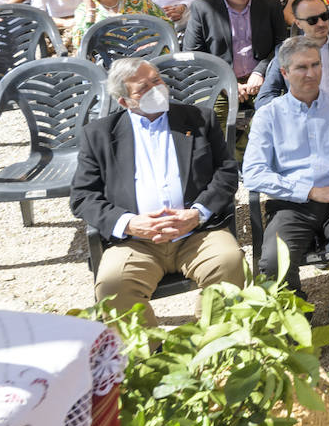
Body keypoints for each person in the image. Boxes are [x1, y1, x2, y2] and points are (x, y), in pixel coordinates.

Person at [70, 58, 244, 326]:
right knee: (113, 285)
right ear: (124, 101)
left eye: (157, 80)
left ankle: (213, 344)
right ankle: (149, 356)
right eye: (143, 88)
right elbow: (83, 196)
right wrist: (129, 223)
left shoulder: (198, 119)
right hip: (136, 241)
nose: (156, 89)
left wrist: (197, 214)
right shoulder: (100, 136)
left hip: (196, 233)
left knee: (229, 263)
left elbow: (226, 172)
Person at [243, 37, 329, 341]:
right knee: (272, 261)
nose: (311, 73)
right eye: (302, 68)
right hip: (293, 203)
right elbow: (253, 174)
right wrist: (309, 191)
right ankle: (298, 314)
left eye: (316, 65)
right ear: (284, 72)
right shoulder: (269, 115)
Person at [183, 0, 289, 105]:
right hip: (218, 81)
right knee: (214, 122)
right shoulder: (203, 9)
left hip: (262, 79)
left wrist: (260, 71)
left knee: (268, 119)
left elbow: (282, 45)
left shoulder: (270, 4)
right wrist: (223, 81)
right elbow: (193, 55)